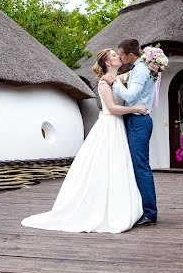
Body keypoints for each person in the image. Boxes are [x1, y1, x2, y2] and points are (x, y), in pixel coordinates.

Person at [21, 48, 147, 233]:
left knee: (119, 165)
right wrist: (136, 109)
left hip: (118, 127)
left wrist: (152, 61)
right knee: (106, 165)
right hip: (109, 125)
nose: (118, 56)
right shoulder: (104, 83)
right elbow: (111, 108)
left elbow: (139, 70)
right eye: (113, 55)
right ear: (106, 63)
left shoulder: (119, 79)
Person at [102, 39, 157, 226]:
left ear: (130, 55)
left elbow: (131, 96)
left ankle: (150, 213)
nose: (119, 56)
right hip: (132, 120)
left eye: (121, 54)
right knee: (132, 166)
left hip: (138, 121)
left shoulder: (140, 70)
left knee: (140, 166)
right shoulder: (136, 69)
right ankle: (139, 208)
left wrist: (114, 83)